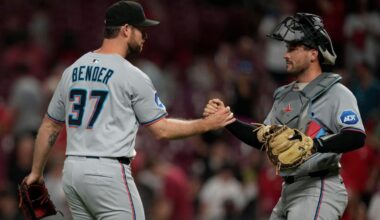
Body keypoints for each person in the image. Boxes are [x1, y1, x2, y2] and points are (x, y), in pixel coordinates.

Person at [23, 1, 235, 219]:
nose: (145, 36)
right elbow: (161, 129)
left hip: (73, 173)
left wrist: (36, 172)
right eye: (140, 29)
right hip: (107, 173)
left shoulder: (72, 70)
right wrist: (206, 124)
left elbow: (50, 125)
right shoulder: (132, 75)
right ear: (125, 30)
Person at [204, 13, 366, 220]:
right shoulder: (285, 95)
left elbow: (356, 136)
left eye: (292, 48)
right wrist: (227, 120)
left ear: (313, 54)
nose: (285, 54)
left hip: (319, 186)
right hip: (289, 189)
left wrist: (313, 145)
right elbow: (262, 137)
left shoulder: (337, 93)